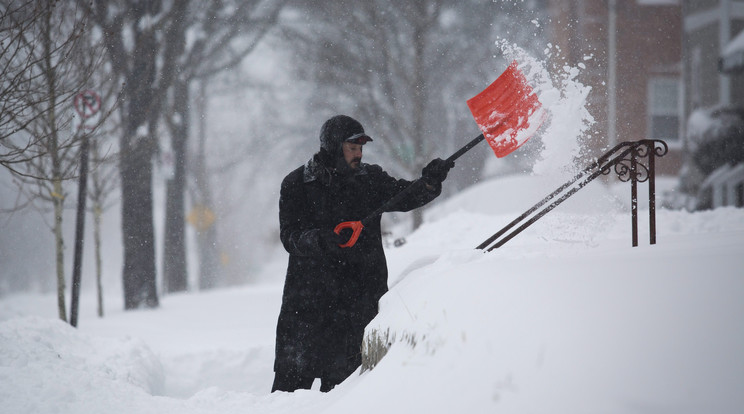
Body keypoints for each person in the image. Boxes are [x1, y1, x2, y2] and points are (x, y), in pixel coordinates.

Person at [271, 115, 454, 393]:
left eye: (361, 149)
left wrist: (428, 182)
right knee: (289, 394)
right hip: (308, 305)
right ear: (333, 147)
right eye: (352, 148)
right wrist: (322, 239)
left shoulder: (370, 179)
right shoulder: (297, 184)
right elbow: (290, 236)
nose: (358, 154)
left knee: (347, 394)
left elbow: (404, 196)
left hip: (358, 303)